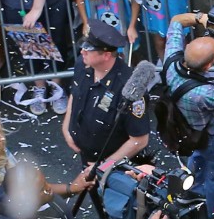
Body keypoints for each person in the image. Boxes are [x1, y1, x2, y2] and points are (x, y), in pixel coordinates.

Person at [163, 10, 214, 210]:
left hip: (189, 132)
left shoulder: (171, 62)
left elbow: (176, 20)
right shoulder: (203, 93)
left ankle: (192, 193)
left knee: (197, 158)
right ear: (208, 66)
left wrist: (202, 19)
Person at [63, 20, 151, 173]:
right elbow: (75, 95)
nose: (82, 52)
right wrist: (67, 129)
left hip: (117, 165)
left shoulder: (129, 88)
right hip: (87, 156)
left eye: (88, 49)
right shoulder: (82, 64)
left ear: (106, 55)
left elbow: (139, 140)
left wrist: (103, 167)